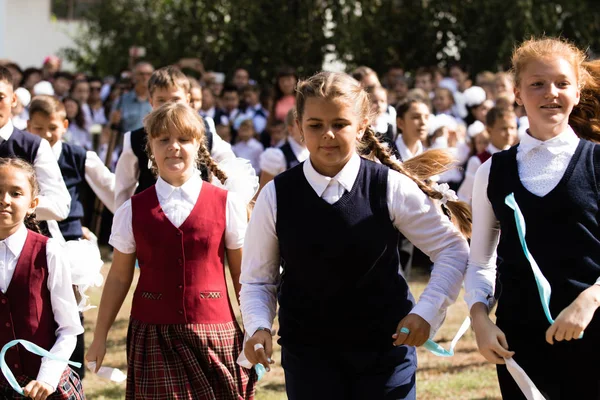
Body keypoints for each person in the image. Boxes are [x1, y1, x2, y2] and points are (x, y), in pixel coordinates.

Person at [241, 71, 470, 400]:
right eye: (315, 125)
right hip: (309, 359)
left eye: (340, 124)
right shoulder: (276, 195)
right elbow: (258, 280)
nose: (328, 135)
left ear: (362, 125)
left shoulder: (387, 186)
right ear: (298, 126)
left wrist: (427, 311)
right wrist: (259, 326)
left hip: (385, 355)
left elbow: (451, 248)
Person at [87, 103, 255, 399]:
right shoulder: (132, 209)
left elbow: (243, 275)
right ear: (150, 147)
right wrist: (99, 337)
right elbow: (118, 278)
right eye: (163, 139)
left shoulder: (227, 204)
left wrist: (255, 331)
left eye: (183, 140)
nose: (173, 147)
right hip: (153, 332)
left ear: (198, 145)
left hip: (215, 331)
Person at [466, 37, 600, 399]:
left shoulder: (597, 162)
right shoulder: (491, 171)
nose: (550, 93)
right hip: (521, 342)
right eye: (537, 84)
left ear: (577, 90)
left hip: (594, 336)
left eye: (561, 83)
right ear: (518, 93)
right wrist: (480, 318)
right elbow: (481, 260)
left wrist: (590, 299)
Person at [0, 157, 84, 399]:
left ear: (32, 204)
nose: (5, 200)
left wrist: (47, 376)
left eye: (16, 193)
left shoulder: (48, 252)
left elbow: (69, 328)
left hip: (47, 386)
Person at [114, 66, 236, 209]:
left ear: (187, 100)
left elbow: (229, 171)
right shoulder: (134, 139)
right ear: (151, 102)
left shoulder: (207, 135)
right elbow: (123, 187)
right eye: (161, 100)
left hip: (197, 211)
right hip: (150, 215)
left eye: (175, 99)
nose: (169, 106)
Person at [0, 66, 71, 223]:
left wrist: (17, 200)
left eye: (0, 97)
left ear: (13, 100)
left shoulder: (34, 146)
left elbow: (60, 205)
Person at [457, 106, 517, 205]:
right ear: (489, 130)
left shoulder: (519, 156)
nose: (509, 133)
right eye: (504, 128)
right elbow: (464, 197)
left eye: (512, 128)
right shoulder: (478, 161)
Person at [258, 108, 309, 190]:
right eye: (302, 125)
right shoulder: (276, 156)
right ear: (290, 129)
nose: (307, 129)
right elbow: (262, 192)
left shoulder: (314, 152)